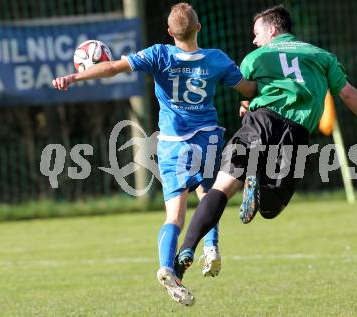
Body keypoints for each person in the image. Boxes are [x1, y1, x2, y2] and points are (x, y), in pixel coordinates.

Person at [174, 4, 357, 285]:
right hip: (294, 134)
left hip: (259, 123)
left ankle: (185, 251)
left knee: (221, 187)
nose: (254, 40)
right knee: (271, 208)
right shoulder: (321, 57)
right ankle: (256, 185)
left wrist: (246, 107)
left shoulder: (254, 58)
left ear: (273, 29)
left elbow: (246, 97)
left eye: (257, 33)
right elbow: (349, 95)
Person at [52, 3, 256, 306]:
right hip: (207, 140)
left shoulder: (159, 54)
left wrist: (73, 77)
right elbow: (249, 89)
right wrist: (255, 97)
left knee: (174, 214)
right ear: (198, 28)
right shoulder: (216, 60)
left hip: (173, 143)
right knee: (210, 197)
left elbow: (110, 68)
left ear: (170, 32)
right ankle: (210, 249)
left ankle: (166, 266)